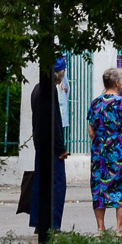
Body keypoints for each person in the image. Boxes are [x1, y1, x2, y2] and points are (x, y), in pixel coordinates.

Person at [88, 67, 122, 234]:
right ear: (117, 83)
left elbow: (91, 132)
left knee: (99, 190)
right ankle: (119, 229)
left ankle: (101, 228)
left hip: (100, 154)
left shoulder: (95, 104)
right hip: (121, 153)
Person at [30, 58, 70, 234]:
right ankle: (53, 224)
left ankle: (40, 222)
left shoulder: (37, 89)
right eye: (64, 71)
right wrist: (61, 148)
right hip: (51, 148)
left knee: (41, 184)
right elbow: (54, 122)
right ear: (59, 73)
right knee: (57, 185)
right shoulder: (50, 91)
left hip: (41, 146)